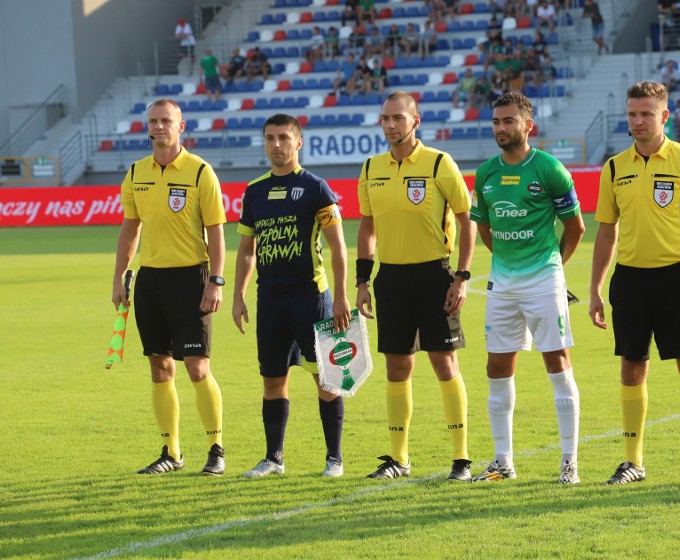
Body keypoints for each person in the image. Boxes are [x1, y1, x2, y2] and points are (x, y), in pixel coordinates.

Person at [589, 81, 680, 488]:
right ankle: (633, 462)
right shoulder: (613, 167)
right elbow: (606, 233)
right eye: (632, 114)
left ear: (664, 116)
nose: (638, 121)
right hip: (629, 281)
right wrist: (595, 288)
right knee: (632, 370)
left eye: (646, 114)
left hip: (677, 277)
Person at [355, 91, 475, 481]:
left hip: (435, 275)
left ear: (415, 121)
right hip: (390, 278)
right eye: (386, 118)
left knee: (444, 362)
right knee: (397, 366)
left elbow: (466, 218)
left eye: (398, 118)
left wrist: (462, 276)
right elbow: (367, 227)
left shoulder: (440, 163)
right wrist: (362, 281)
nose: (391, 125)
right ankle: (399, 459)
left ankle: (461, 459)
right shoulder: (371, 167)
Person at [469, 92, 585, 484]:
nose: (501, 128)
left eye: (508, 121)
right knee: (496, 369)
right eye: (496, 122)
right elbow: (484, 228)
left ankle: (569, 462)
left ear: (527, 126)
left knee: (557, 365)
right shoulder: (485, 173)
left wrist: (551, 268)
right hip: (501, 285)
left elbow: (576, 227)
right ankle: (503, 462)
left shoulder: (550, 169)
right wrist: (507, 262)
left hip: (544, 282)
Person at [232, 114, 351, 479]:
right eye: (270, 138)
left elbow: (338, 248)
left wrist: (342, 297)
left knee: (327, 379)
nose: (276, 145)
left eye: (284, 137)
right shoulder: (255, 191)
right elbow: (247, 250)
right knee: (272, 379)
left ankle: (334, 459)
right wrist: (238, 294)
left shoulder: (316, 188)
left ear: (298, 142)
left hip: (311, 298)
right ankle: (274, 458)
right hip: (270, 300)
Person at [113, 99, 226, 476]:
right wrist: (120, 276)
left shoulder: (199, 172)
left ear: (181, 127)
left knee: (197, 368)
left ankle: (215, 448)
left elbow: (216, 230)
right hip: (151, 281)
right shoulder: (135, 172)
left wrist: (215, 281)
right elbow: (130, 228)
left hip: (191, 279)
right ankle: (172, 452)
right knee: (160, 368)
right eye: (153, 121)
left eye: (166, 121)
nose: (159, 127)